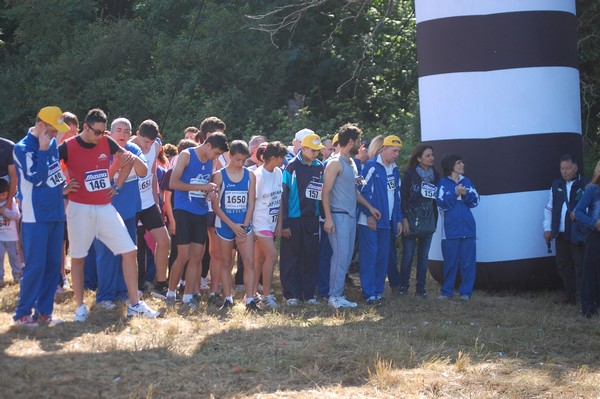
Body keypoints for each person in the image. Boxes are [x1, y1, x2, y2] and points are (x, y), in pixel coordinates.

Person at [60, 108, 159, 321]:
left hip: (105, 207)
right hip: (79, 208)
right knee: (78, 258)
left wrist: (117, 186)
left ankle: (134, 304)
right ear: (86, 128)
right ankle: (80, 308)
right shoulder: (68, 146)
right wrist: (63, 188)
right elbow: (47, 167)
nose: (100, 137)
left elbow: (128, 160)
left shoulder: (106, 142)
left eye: (103, 132)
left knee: (129, 250)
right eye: (97, 132)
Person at [12, 106, 75, 326]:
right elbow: (36, 179)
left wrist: (64, 189)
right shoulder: (22, 148)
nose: (58, 133)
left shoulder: (52, 145)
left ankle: (44, 312)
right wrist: (42, 148)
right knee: (36, 266)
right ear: (41, 126)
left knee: (52, 265)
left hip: (56, 213)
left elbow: (55, 175)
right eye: (53, 129)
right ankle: (22, 313)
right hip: (35, 215)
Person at [166, 132, 228, 309]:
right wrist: (202, 186)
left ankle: (187, 297)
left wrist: (211, 191)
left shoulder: (211, 161)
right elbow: (173, 183)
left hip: (201, 211)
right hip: (184, 209)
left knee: (197, 255)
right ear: (208, 145)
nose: (216, 157)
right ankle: (171, 293)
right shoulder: (186, 155)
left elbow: (206, 183)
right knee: (183, 254)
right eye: (216, 153)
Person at [89, 117, 145, 310]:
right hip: (103, 211)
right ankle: (104, 296)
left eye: (127, 131)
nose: (122, 134)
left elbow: (144, 171)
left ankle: (123, 293)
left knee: (128, 254)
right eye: (119, 130)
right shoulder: (98, 149)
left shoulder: (133, 149)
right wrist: (118, 164)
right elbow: (97, 178)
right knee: (106, 255)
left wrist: (131, 157)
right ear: (110, 133)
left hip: (128, 212)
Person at [322, 123, 381, 308]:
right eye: (358, 141)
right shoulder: (335, 163)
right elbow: (326, 192)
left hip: (350, 217)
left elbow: (354, 191)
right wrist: (328, 218)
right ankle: (334, 296)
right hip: (338, 216)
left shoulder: (351, 163)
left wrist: (370, 207)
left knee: (346, 257)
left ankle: (338, 294)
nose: (360, 145)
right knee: (340, 256)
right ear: (350, 141)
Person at [280, 133, 325, 306]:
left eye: (318, 151)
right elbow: (284, 196)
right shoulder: (291, 167)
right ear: (303, 148)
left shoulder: (319, 167)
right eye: (313, 150)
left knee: (311, 255)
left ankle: (309, 293)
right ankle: (291, 293)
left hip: (312, 219)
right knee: (292, 256)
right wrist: (284, 223)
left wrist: (322, 215)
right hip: (293, 219)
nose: (316, 154)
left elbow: (320, 193)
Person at [357, 135, 403, 305]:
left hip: (387, 221)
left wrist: (398, 219)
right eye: (394, 150)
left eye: (399, 151)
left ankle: (377, 291)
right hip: (368, 221)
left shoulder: (395, 169)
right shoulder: (371, 166)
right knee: (370, 256)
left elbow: (397, 196)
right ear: (384, 149)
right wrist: (368, 214)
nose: (397, 154)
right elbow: (360, 190)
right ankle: (368, 292)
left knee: (382, 257)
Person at [212, 140, 257, 311]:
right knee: (226, 261)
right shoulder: (219, 175)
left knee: (249, 261)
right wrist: (233, 226)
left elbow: (251, 203)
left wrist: (243, 227)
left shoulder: (250, 175)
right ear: (230, 156)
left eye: (244, 160)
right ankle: (228, 298)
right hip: (225, 225)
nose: (241, 163)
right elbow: (216, 206)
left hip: (244, 225)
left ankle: (250, 300)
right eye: (238, 159)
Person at [129, 120, 171, 298]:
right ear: (138, 134)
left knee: (164, 241)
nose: (148, 146)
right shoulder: (128, 147)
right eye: (145, 141)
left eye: (151, 142)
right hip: (131, 205)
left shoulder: (155, 147)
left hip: (148, 203)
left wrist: (157, 202)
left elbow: (153, 175)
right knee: (133, 247)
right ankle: (134, 285)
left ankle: (161, 284)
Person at [543, 154, 588, 304]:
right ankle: (569, 294)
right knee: (563, 264)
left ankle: (583, 296)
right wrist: (547, 228)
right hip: (560, 233)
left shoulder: (585, 185)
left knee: (579, 264)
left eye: (567, 168)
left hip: (577, 233)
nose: (564, 171)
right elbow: (549, 208)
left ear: (575, 167)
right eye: (562, 168)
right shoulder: (556, 185)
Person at [436, 154, 479, 300]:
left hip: (468, 229)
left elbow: (475, 201)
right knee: (450, 263)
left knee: (468, 263)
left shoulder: (467, 182)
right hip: (449, 231)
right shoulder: (442, 183)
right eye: (459, 163)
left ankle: (465, 292)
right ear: (451, 166)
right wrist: (455, 194)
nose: (463, 165)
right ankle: (446, 292)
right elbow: (441, 203)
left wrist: (465, 194)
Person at [398, 144, 439, 297]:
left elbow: (435, 199)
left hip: (428, 218)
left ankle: (421, 289)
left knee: (423, 256)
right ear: (419, 158)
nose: (431, 158)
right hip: (411, 218)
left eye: (432, 155)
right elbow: (402, 198)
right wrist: (403, 219)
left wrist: (434, 219)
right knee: (408, 255)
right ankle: (403, 287)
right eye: (428, 155)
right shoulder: (409, 174)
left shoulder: (435, 174)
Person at [252, 142, 287, 308]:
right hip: (260, 222)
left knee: (259, 259)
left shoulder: (279, 172)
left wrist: (279, 223)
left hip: (272, 223)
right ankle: (266, 295)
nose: (284, 160)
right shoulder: (258, 175)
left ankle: (252, 294)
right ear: (273, 158)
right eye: (282, 157)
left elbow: (278, 198)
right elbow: (252, 202)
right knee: (272, 256)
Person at [573, 161, 600, 318]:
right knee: (590, 271)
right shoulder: (592, 190)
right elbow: (578, 212)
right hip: (594, 235)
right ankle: (589, 308)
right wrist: (594, 223)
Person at [0, 179, 22, 287]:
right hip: (1, 237)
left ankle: (17, 277)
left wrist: (4, 211)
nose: (1, 197)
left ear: (8, 192)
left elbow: (17, 215)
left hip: (12, 237)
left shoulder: (11, 202)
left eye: (3, 194)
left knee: (15, 258)